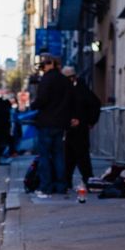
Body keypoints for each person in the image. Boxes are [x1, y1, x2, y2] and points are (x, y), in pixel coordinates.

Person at [29, 54, 75, 197]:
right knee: (59, 156)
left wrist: (33, 105)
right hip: (60, 124)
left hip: (46, 123)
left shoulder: (47, 79)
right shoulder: (64, 81)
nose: (43, 67)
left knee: (45, 156)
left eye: (45, 64)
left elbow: (41, 100)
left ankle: (46, 187)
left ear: (51, 64)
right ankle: (61, 186)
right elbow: (70, 101)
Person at [61, 66, 101, 191]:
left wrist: (85, 121)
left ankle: (86, 180)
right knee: (70, 157)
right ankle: (69, 180)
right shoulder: (72, 90)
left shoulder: (81, 90)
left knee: (81, 156)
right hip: (73, 129)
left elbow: (94, 104)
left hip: (79, 129)